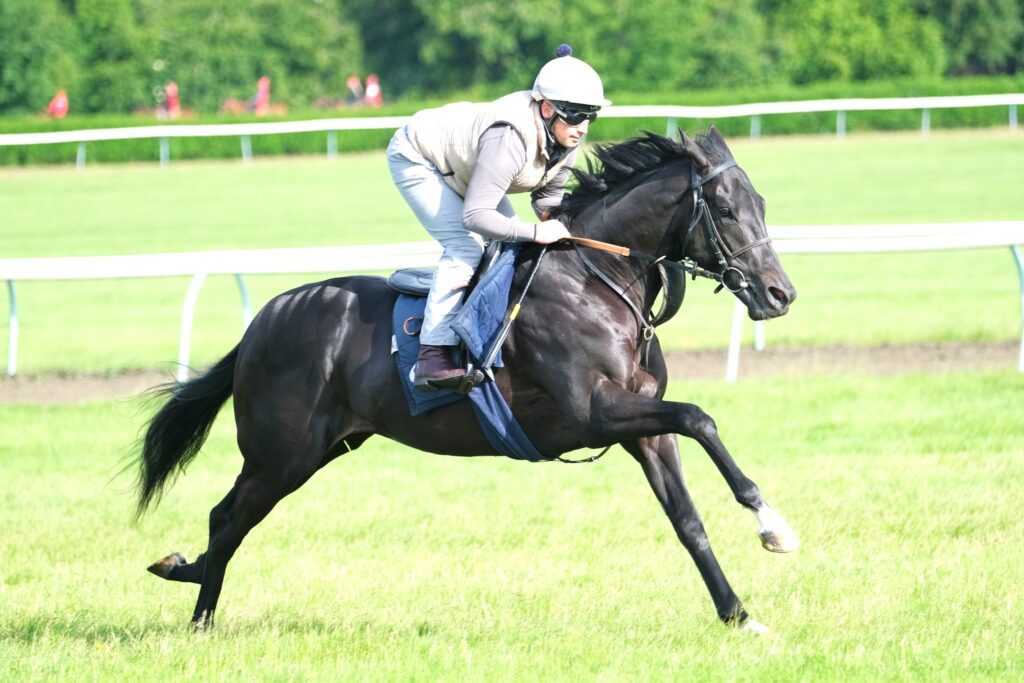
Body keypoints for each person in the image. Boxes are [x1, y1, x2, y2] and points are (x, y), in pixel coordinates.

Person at [386, 44, 610, 389]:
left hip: (462, 168)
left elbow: (548, 199)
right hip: (420, 158)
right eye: (576, 115)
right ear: (547, 109)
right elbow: (475, 216)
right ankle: (432, 354)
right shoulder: (509, 137)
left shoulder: (565, 138)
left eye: (590, 117)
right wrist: (536, 231)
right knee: (467, 248)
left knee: (508, 247)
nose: (582, 127)